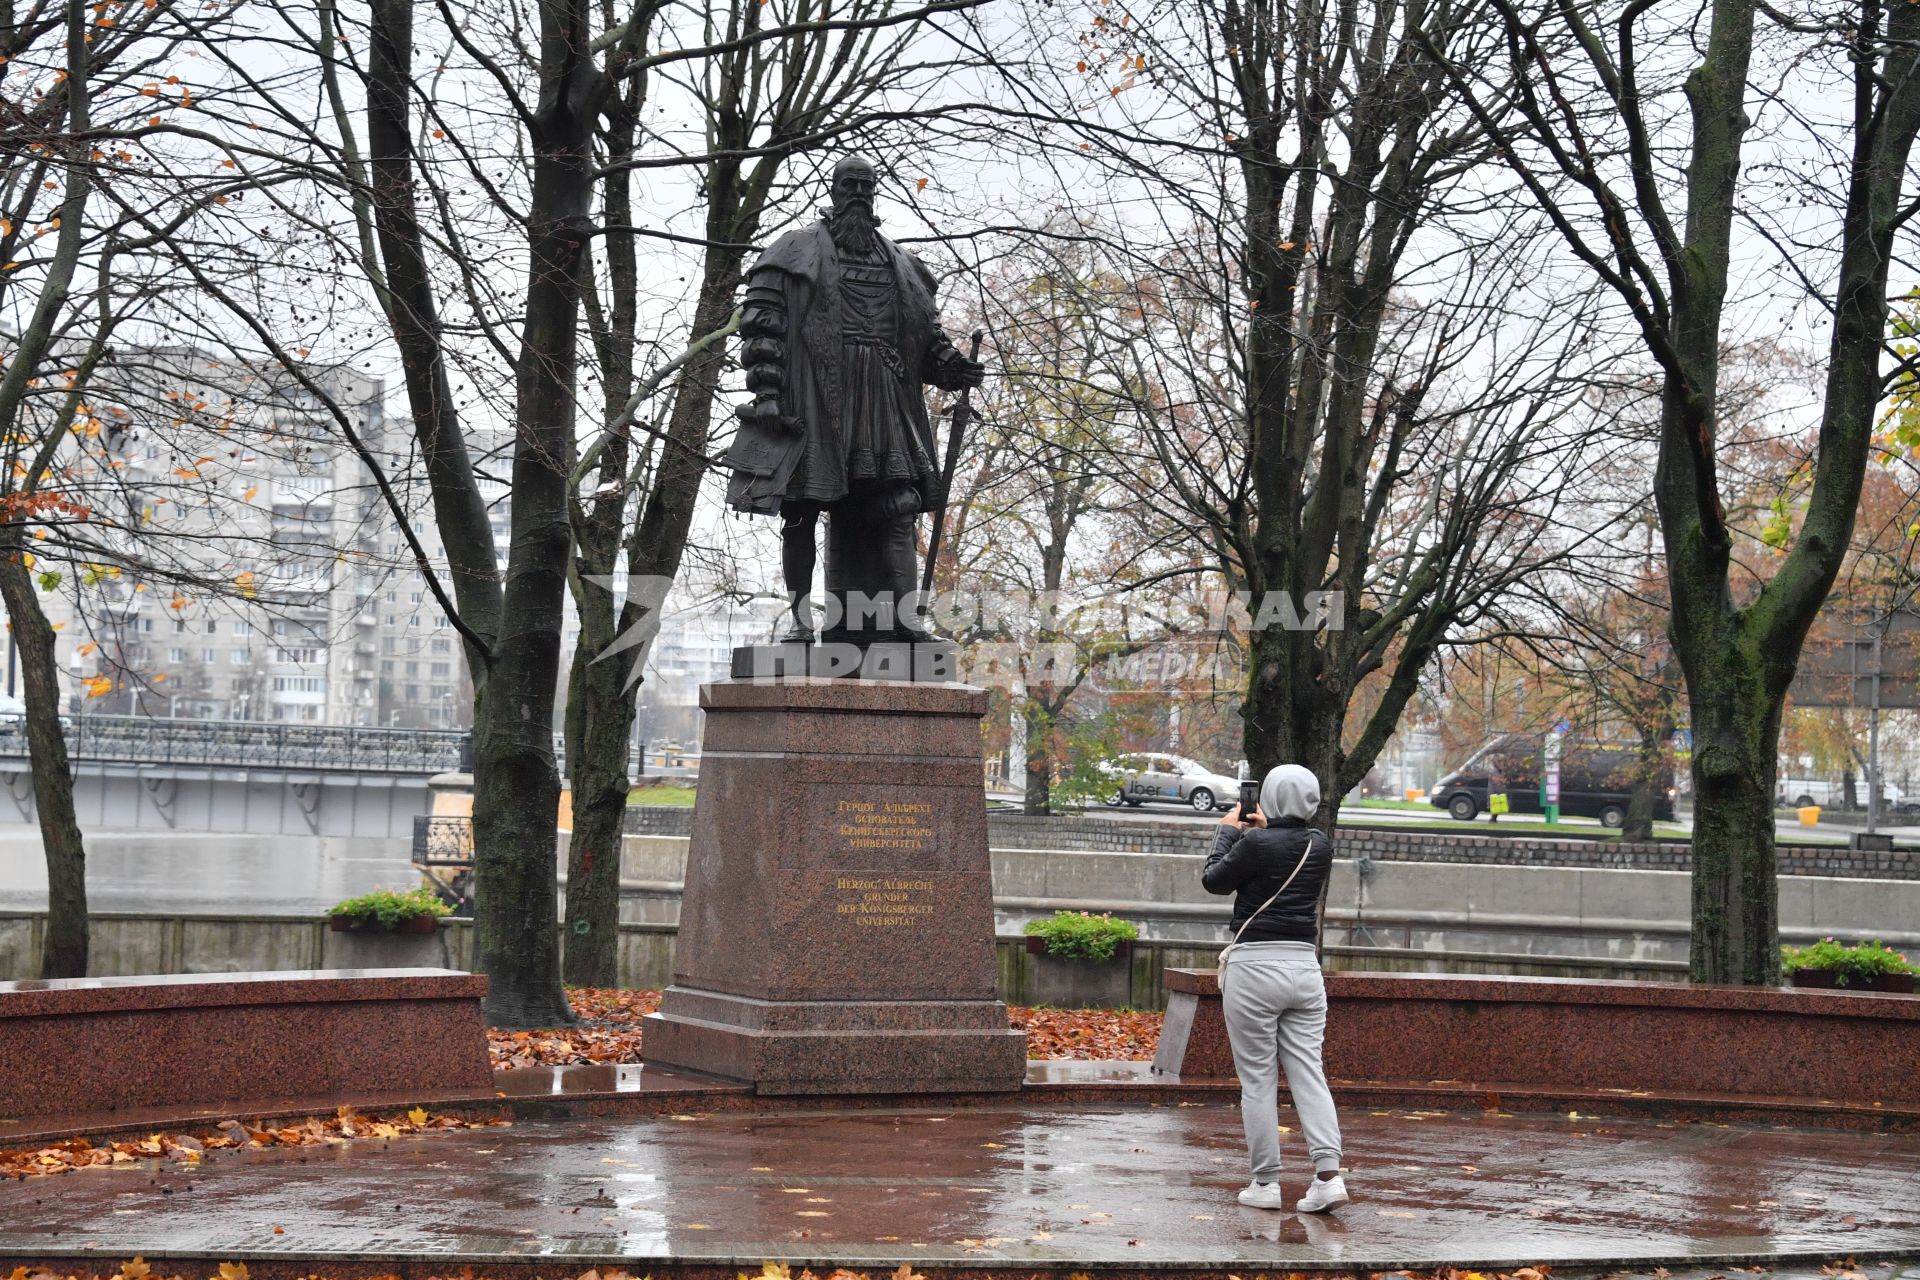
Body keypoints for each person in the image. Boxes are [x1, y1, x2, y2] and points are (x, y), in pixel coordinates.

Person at [723, 155, 986, 644]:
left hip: (885, 397)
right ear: (835, 190)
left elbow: (925, 341)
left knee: (899, 503)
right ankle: (801, 623)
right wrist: (768, 394)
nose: (860, 194)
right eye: (851, 185)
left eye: (868, 186)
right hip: (816, 399)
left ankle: (905, 622)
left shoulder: (903, 266)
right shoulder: (794, 251)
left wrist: (953, 367)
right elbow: (763, 328)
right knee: (801, 508)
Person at [1203, 762, 1347, 1213]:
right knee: (1309, 1071)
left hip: (1255, 968)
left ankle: (1265, 1184)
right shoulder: (1320, 845)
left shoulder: (1254, 843)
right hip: (1304, 968)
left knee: (1258, 1081)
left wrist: (1228, 831)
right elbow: (1285, 844)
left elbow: (1213, 880)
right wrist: (1269, 828)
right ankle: (1328, 1178)